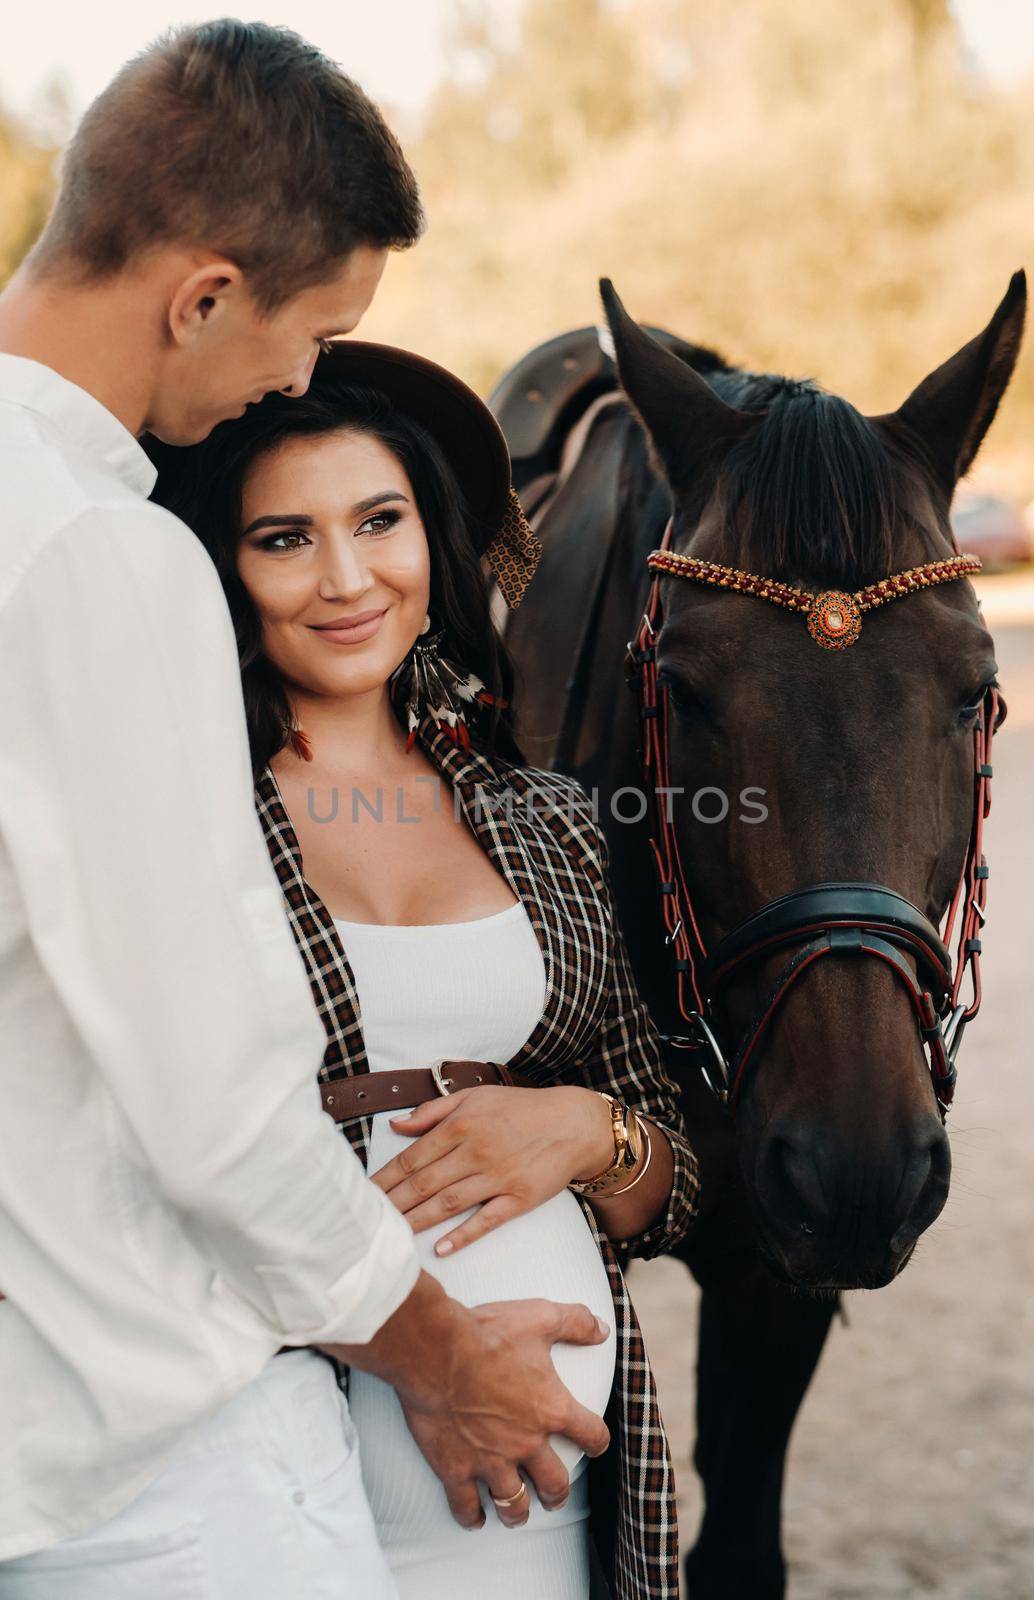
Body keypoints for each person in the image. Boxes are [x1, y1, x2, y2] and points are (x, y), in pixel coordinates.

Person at [0, 21, 613, 1597]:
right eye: (308, 331)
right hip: (153, 1464)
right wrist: (441, 1360)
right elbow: (209, 1090)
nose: (298, 375)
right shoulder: (97, 550)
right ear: (200, 294)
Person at [144, 339, 702, 1600]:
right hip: (267, 1476)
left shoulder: (542, 818)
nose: (345, 579)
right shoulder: (175, 821)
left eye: (377, 520)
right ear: (219, 568)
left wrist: (586, 1129)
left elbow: (671, 1182)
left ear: (429, 539)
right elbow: (139, 1172)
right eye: (282, 538)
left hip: (549, 1503)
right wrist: (436, 1358)